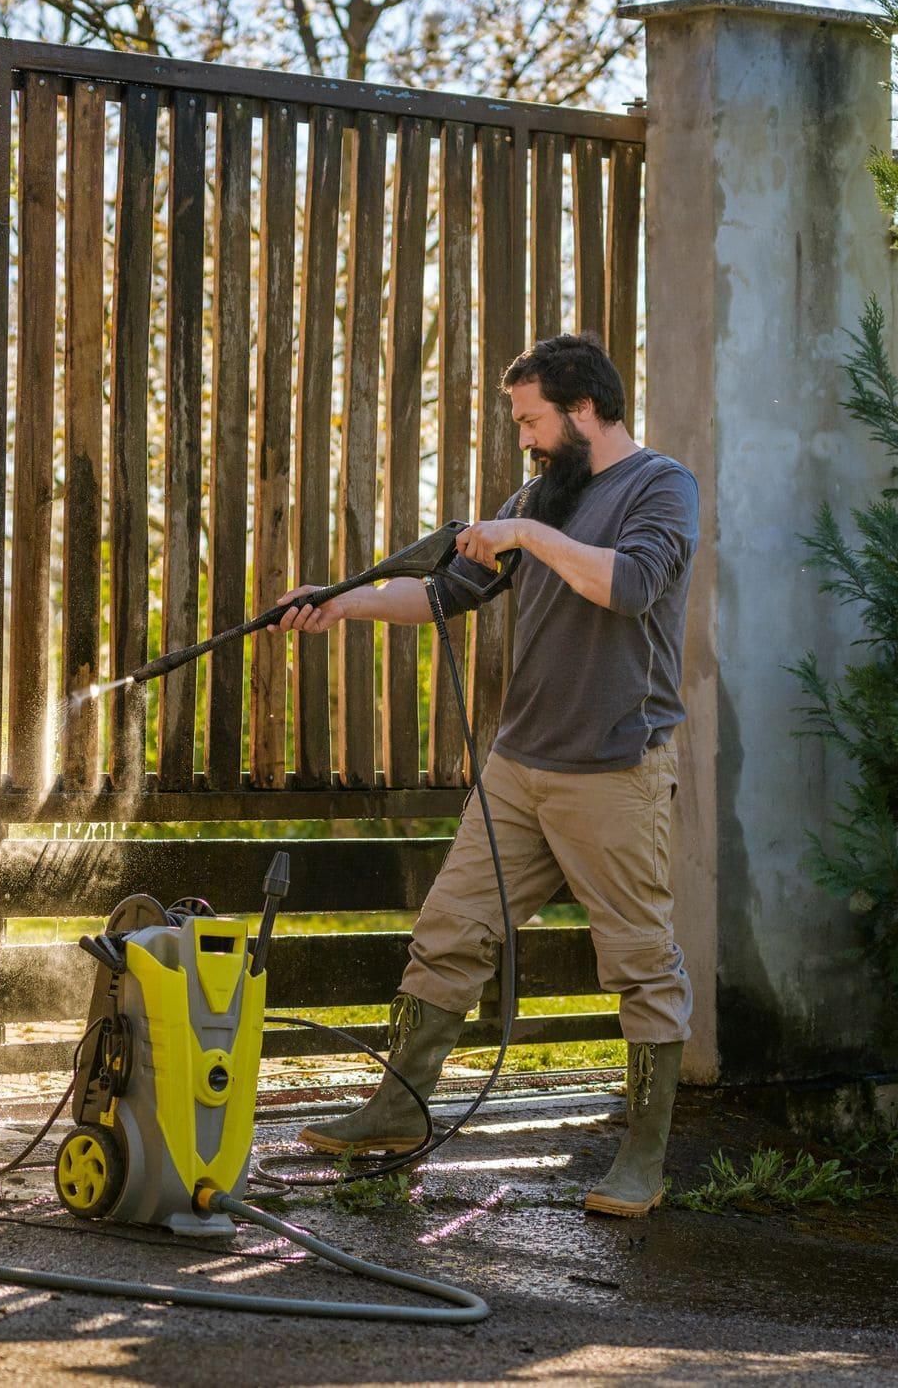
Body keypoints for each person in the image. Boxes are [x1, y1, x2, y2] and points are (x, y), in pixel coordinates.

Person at [276, 333, 698, 1217]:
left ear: (583, 409)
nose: (526, 440)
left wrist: (526, 532)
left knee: (637, 963)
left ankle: (642, 1161)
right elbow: (444, 594)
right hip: (518, 767)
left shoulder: (658, 485)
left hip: (614, 766)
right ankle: (397, 1112)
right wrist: (337, 601)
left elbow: (627, 588)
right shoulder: (540, 497)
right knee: (448, 930)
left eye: (532, 420)